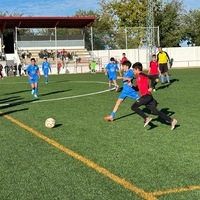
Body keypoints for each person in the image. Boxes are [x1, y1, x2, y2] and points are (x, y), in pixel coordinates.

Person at [131, 62, 177, 130]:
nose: (133, 71)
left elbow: (154, 77)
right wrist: (131, 85)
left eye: (134, 70)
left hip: (146, 96)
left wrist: (152, 87)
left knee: (134, 107)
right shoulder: (138, 78)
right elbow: (137, 89)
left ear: (137, 69)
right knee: (156, 112)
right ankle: (172, 120)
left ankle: (146, 118)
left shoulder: (142, 74)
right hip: (148, 97)